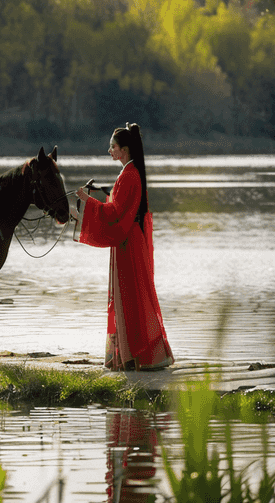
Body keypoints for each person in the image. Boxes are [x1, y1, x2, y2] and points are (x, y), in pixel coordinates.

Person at [75, 123, 174, 371]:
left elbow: (115, 211)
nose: (110, 150)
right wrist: (100, 196)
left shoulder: (129, 175)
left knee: (130, 298)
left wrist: (88, 201)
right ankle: (133, 354)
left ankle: (136, 355)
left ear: (125, 150)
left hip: (128, 244)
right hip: (129, 242)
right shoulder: (129, 173)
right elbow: (118, 206)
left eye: (113, 147)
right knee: (130, 297)